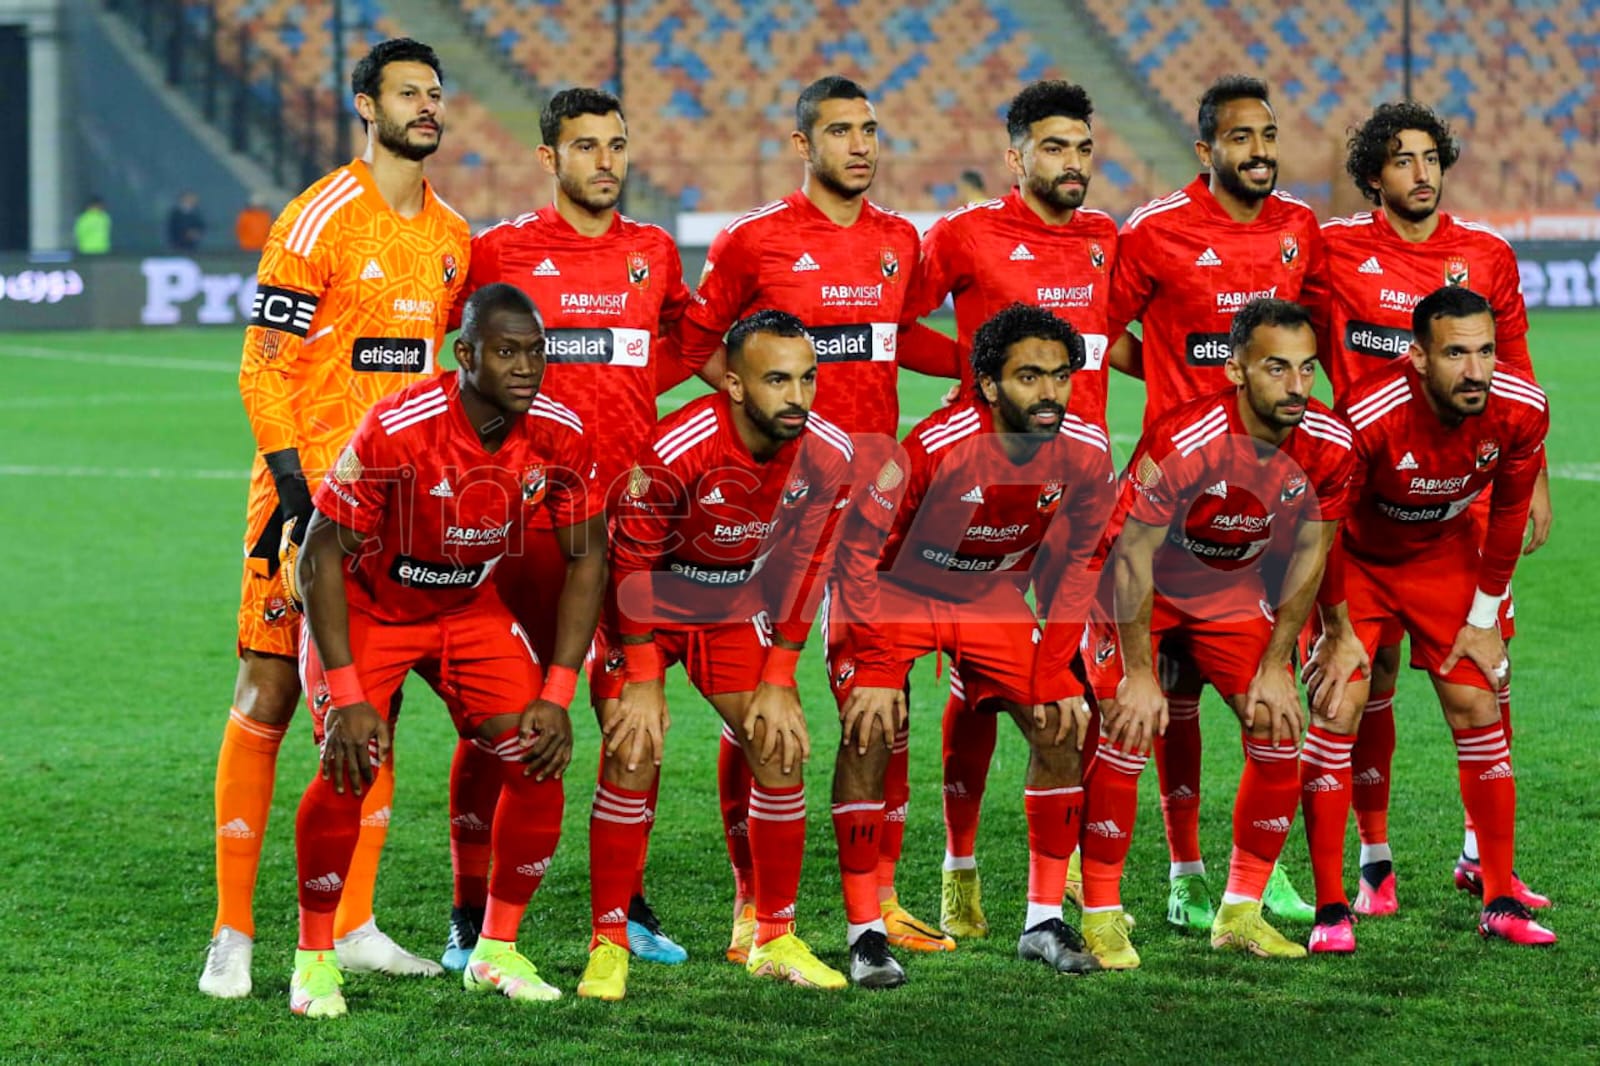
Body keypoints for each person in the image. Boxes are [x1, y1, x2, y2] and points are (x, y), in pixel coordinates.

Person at [200, 36, 471, 1000]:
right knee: (269, 689)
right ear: (366, 105)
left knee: (375, 706)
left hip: (397, 513)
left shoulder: (453, 237)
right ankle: (233, 932)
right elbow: (261, 368)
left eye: (435, 93)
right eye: (407, 93)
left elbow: (439, 378)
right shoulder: (319, 217)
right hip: (304, 500)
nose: (427, 106)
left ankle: (353, 924)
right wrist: (293, 493)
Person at [672, 75, 946, 961]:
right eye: (839, 131)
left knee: (885, 696)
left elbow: (902, 335)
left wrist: (990, 364)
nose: (860, 146)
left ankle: (883, 896)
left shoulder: (900, 239)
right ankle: (751, 903)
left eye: (869, 130)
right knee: (757, 704)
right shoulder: (751, 240)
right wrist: (757, 428)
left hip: (875, 507)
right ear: (803, 144)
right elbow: (700, 344)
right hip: (779, 509)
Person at [288, 283, 606, 1017]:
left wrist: (558, 691)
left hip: (468, 607)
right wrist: (347, 694)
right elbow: (320, 554)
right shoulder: (400, 427)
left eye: (536, 352)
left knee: (538, 752)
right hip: (370, 610)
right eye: (506, 351)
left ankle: (494, 950)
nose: (526, 367)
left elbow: (589, 556)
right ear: (464, 354)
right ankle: (314, 960)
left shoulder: (559, 432)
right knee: (350, 762)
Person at [442, 86, 695, 973]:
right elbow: (454, 356)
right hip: (523, 529)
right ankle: (468, 912)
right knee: (499, 718)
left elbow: (687, 339)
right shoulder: (502, 251)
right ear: (550, 158)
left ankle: (624, 906)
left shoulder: (653, 251)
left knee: (631, 713)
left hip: (626, 523)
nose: (606, 161)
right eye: (586, 146)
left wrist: (636, 401)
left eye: (616, 144)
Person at [828, 304, 1115, 987]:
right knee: (871, 729)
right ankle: (866, 934)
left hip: (986, 595)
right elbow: (856, 553)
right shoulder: (934, 446)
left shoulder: (1086, 451)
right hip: (891, 591)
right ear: (988, 385)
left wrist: (1057, 668)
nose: (1049, 392)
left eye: (1060, 376)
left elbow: (1080, 565)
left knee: (1059, 721)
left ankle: (1043, 922)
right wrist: (875, 667)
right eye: (1028, 377)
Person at [1315, 102, 1552, 916]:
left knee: (1489, 666)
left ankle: (1481, 857)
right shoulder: (1334, 248)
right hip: (1364, 495)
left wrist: (1536, 477)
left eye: (1430, 158)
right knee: (1367, 677)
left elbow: (1515, 364)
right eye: (1401, 160)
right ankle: (1373, 860)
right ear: (1372, 175)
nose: (1421, 173)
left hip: (1464, 497)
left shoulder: (1485, 252)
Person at [579, 310, 856, 999]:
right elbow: (630, 561)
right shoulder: (678, 448)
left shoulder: (829, 454)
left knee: (779, 744)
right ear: (733, 384)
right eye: (777, 381)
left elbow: (811, 565)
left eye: (807, 379)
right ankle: (608, 942)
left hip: (731, 606)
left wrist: (780, 674)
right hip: (644, 606)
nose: (797, 396)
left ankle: (773, 937)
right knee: (633, 748)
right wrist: (644, 675)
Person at [1105, 75, 1327, 931]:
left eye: (1268, 135)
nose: (1259, 151)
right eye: (1241, 138)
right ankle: (1184, 873)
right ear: (1206, 150)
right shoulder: (1156, 229)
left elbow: (1315, 337)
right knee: (1170, 691)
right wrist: (1167, 373)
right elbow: (1103, 333)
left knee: (1268, 690)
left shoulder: (1300, 228)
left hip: (1262, 500)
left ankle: (1257, 873)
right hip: (1172, 496)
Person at [900, 80, 1121, 937]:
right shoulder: (967, 232)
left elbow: (1117, 339)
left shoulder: (1105, 238)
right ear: (1016, 156)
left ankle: (1069, 874)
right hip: (985, 488)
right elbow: (896, 320)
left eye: (1083, 148)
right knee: (981, 682)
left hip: (1078, 492)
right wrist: (972, 373)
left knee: (1084, 683)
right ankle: (959, 865)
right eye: (1054, 148)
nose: (1071, 163)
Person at [1082, 298, 1353, 965]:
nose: (1297, 385)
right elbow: (1132, 557)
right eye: (1276, 369)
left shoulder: (1331, 444)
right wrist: (1139, 674)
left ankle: (1239, 912)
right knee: (1129, 724)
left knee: (1277, 722)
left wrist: (1277, 662)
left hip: (1227, 587)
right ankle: (1100, 913)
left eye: (1307, 369)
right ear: (1236, 370)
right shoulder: (1185, 439)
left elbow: (1312, 554)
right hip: (1134, 583)